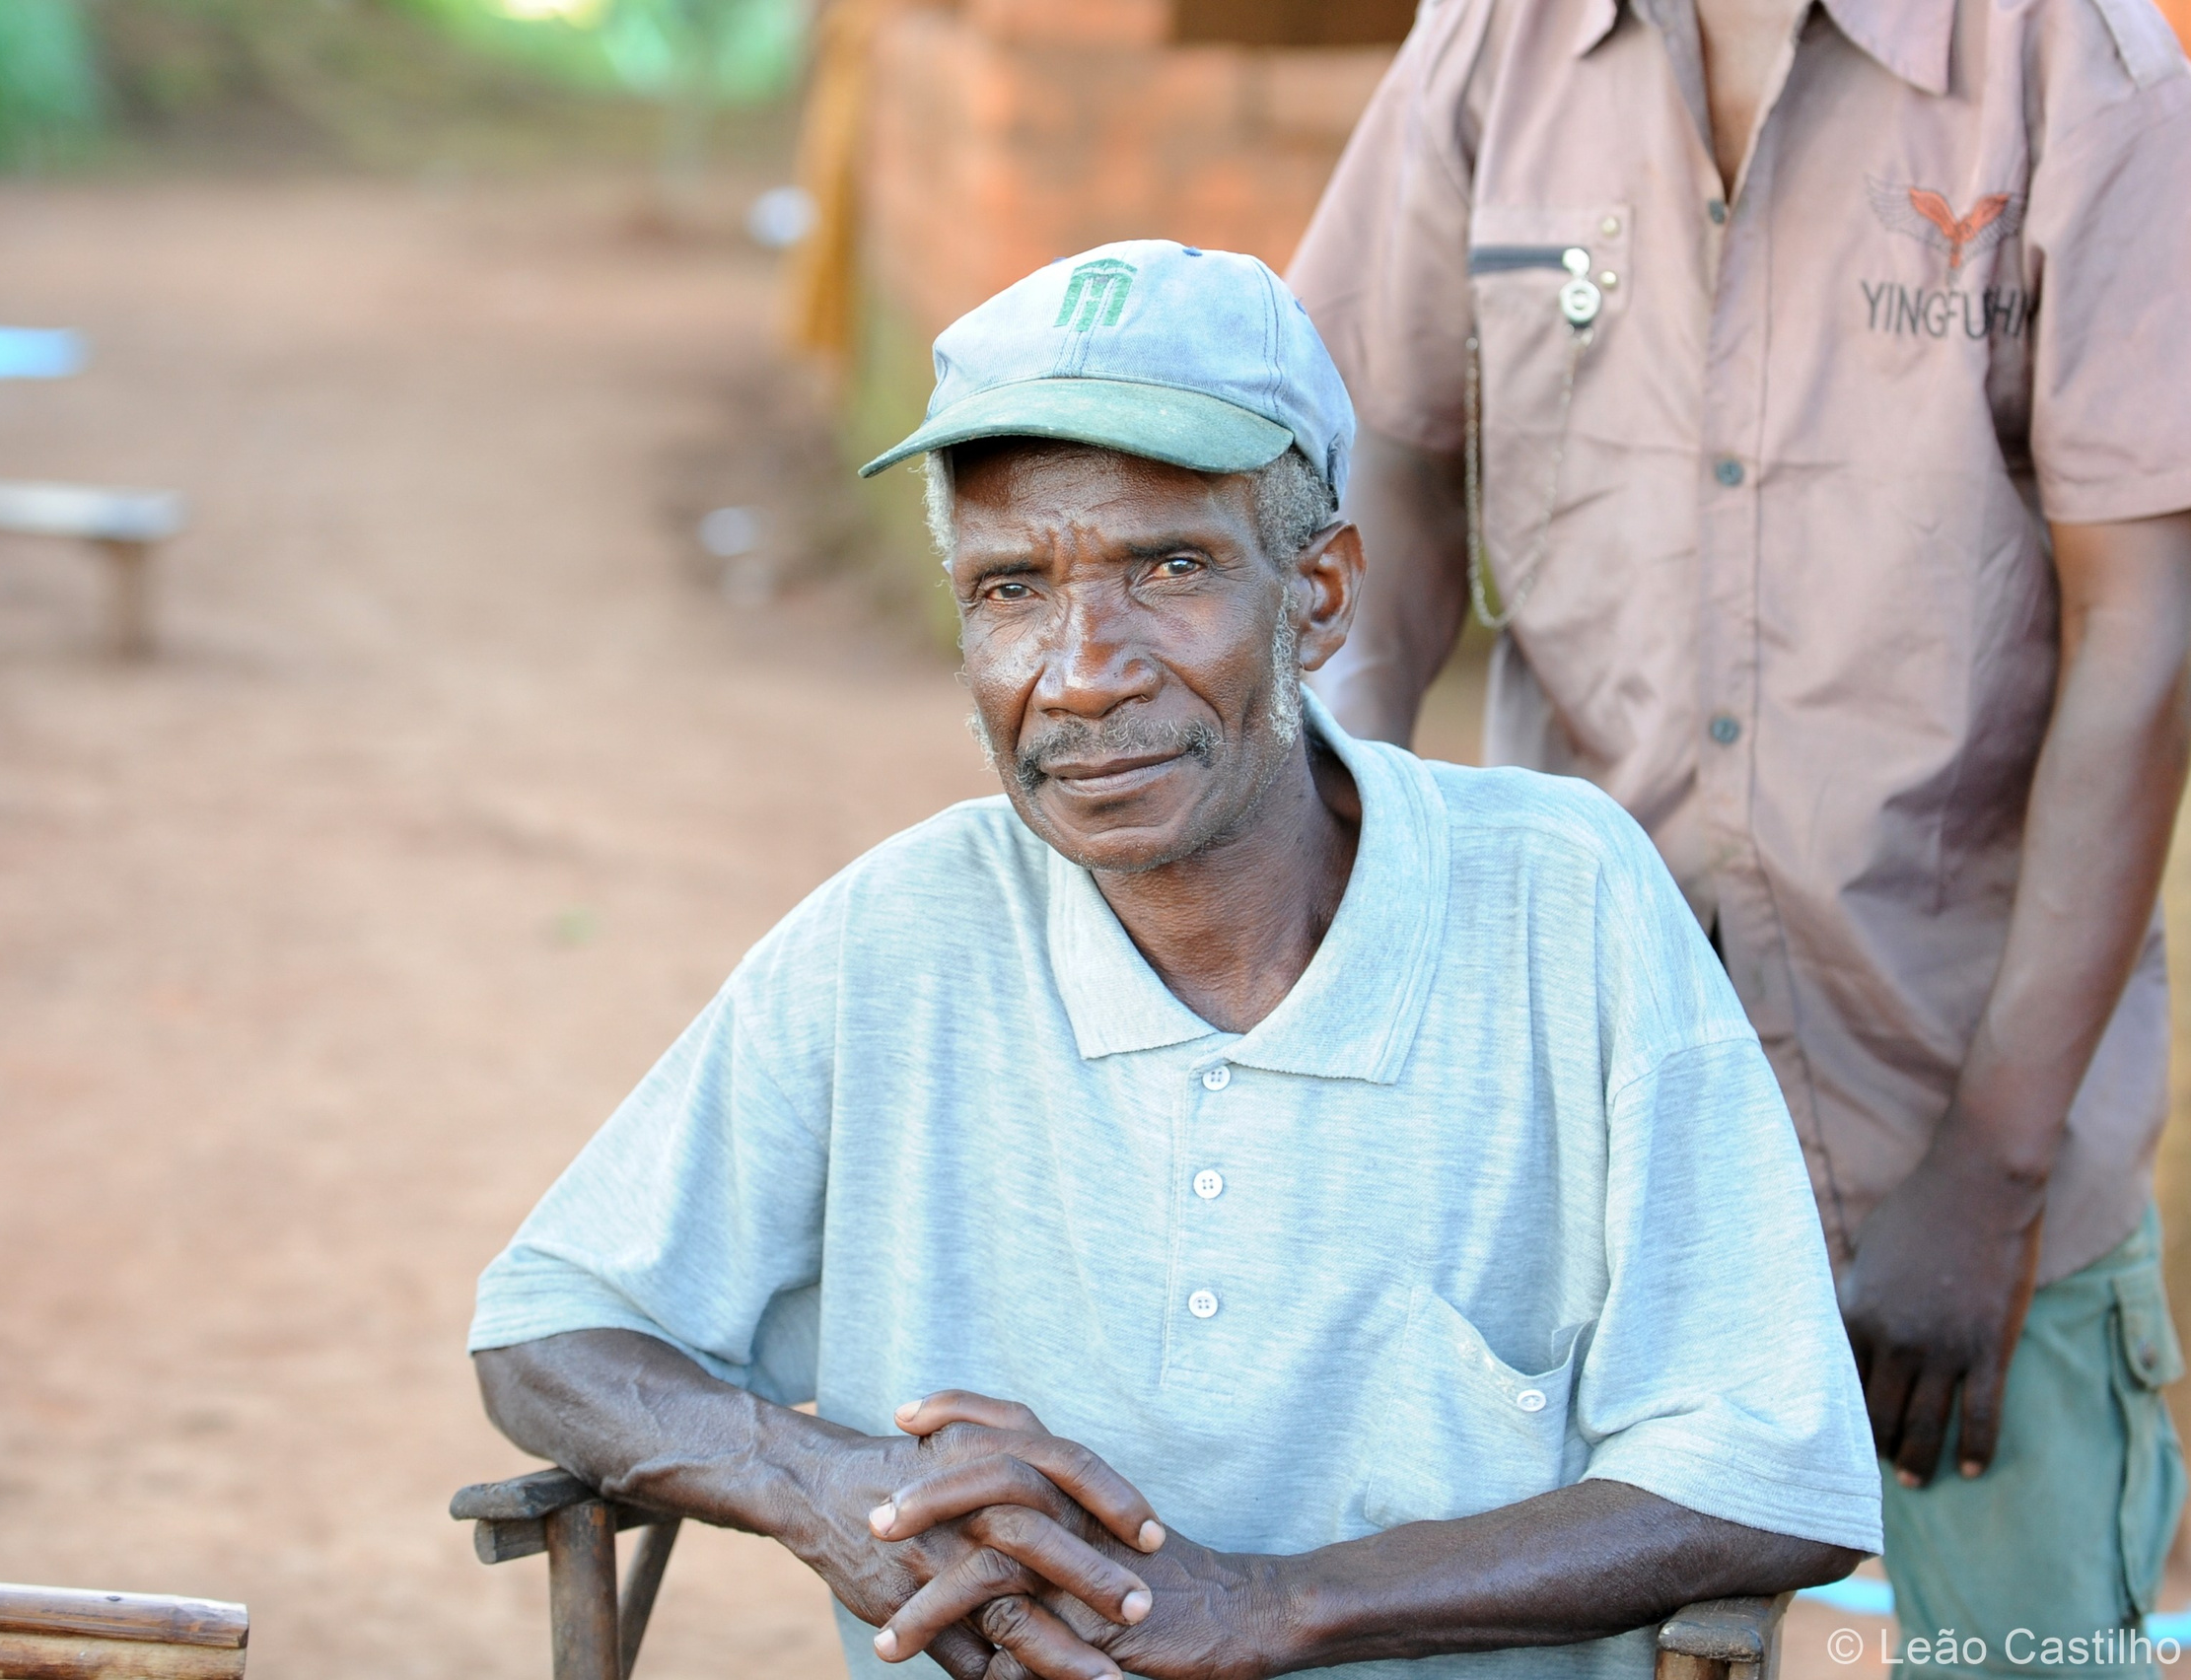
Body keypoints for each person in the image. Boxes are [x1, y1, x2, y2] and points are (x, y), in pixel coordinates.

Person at [466, 240, 1877, 1680]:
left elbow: (1765, 1470)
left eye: (1169, 567)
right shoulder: (898, 934)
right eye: (1012, 588)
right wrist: (826, 1486)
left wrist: (1275, 1605)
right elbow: (551, 1328)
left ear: (1318, 595)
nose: (1083, 670)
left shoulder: (1561, 906)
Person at [1284, 0, 2191, 1667]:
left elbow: (2145, 618)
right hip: (1571, 1125)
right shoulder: (1496, 48)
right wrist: (1333, 872)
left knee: (2022, 1650)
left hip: (1950, 1130)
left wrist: (1987, 1174)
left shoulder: (2081, 65)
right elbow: (1381, 467)